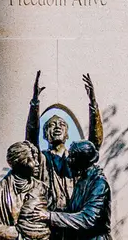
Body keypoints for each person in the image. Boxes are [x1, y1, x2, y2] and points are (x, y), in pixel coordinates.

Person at [25, 71, 103, 212]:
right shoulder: (42, 159)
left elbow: (94, 144)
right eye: (51, 125)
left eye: (61, 125)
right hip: (48, 218)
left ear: (67, 135)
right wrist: (35, 103)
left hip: (74, 219)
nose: (57, 127)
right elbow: (30, 140)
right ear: (44, 135)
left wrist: (93, 104)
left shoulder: (76, 159)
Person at [27, 140, 112, 240]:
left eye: (72, 157)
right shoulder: (82, 180)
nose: (67, 160)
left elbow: (87, 218)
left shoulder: (99, 184)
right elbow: (72, 212)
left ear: (82, 161)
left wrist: (50, 216)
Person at [0, 141, 50, 240]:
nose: (37, 163)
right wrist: (21, 234)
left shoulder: (43, 188)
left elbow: (52, 218)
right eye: (32, 159)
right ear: (18, 162)